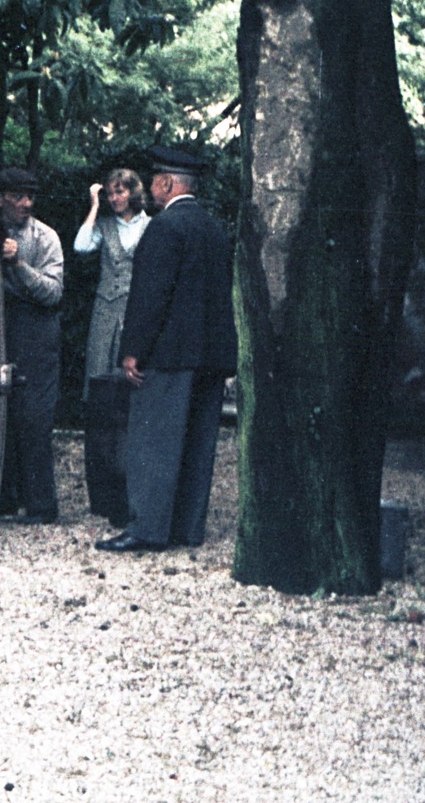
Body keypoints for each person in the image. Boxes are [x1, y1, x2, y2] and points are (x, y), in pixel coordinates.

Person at [96, 146, 237, 552]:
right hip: (210, 357)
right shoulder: (213, 228)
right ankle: (187, 529)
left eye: (157, 181)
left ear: (167, 184)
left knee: (155, 442)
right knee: (197, 442)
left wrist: (133, 350)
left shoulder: (163, 228)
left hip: (170, 356)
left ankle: (148, 529)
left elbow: (150, 297)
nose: (153, 188)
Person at [73, 169, 150, 524]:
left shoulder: (151, 226)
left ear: (134, 193)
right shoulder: (103, 225)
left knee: (133, 396)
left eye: (120, 193)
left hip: (136, 315)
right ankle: (103, 495)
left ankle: (136, 489)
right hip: (105, 316)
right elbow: (80, 247)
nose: (114, 199)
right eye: (110, 194)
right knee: (101, 395)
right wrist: (92, 206)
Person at [0, 167, 64, 524]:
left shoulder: (46, 238)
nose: (27, 203)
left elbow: (53, 292)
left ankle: (41, 506)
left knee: (34, 417)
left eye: (31, 196)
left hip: (37, 330)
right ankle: (2, 500)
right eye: (18, 196)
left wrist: (19, 265)